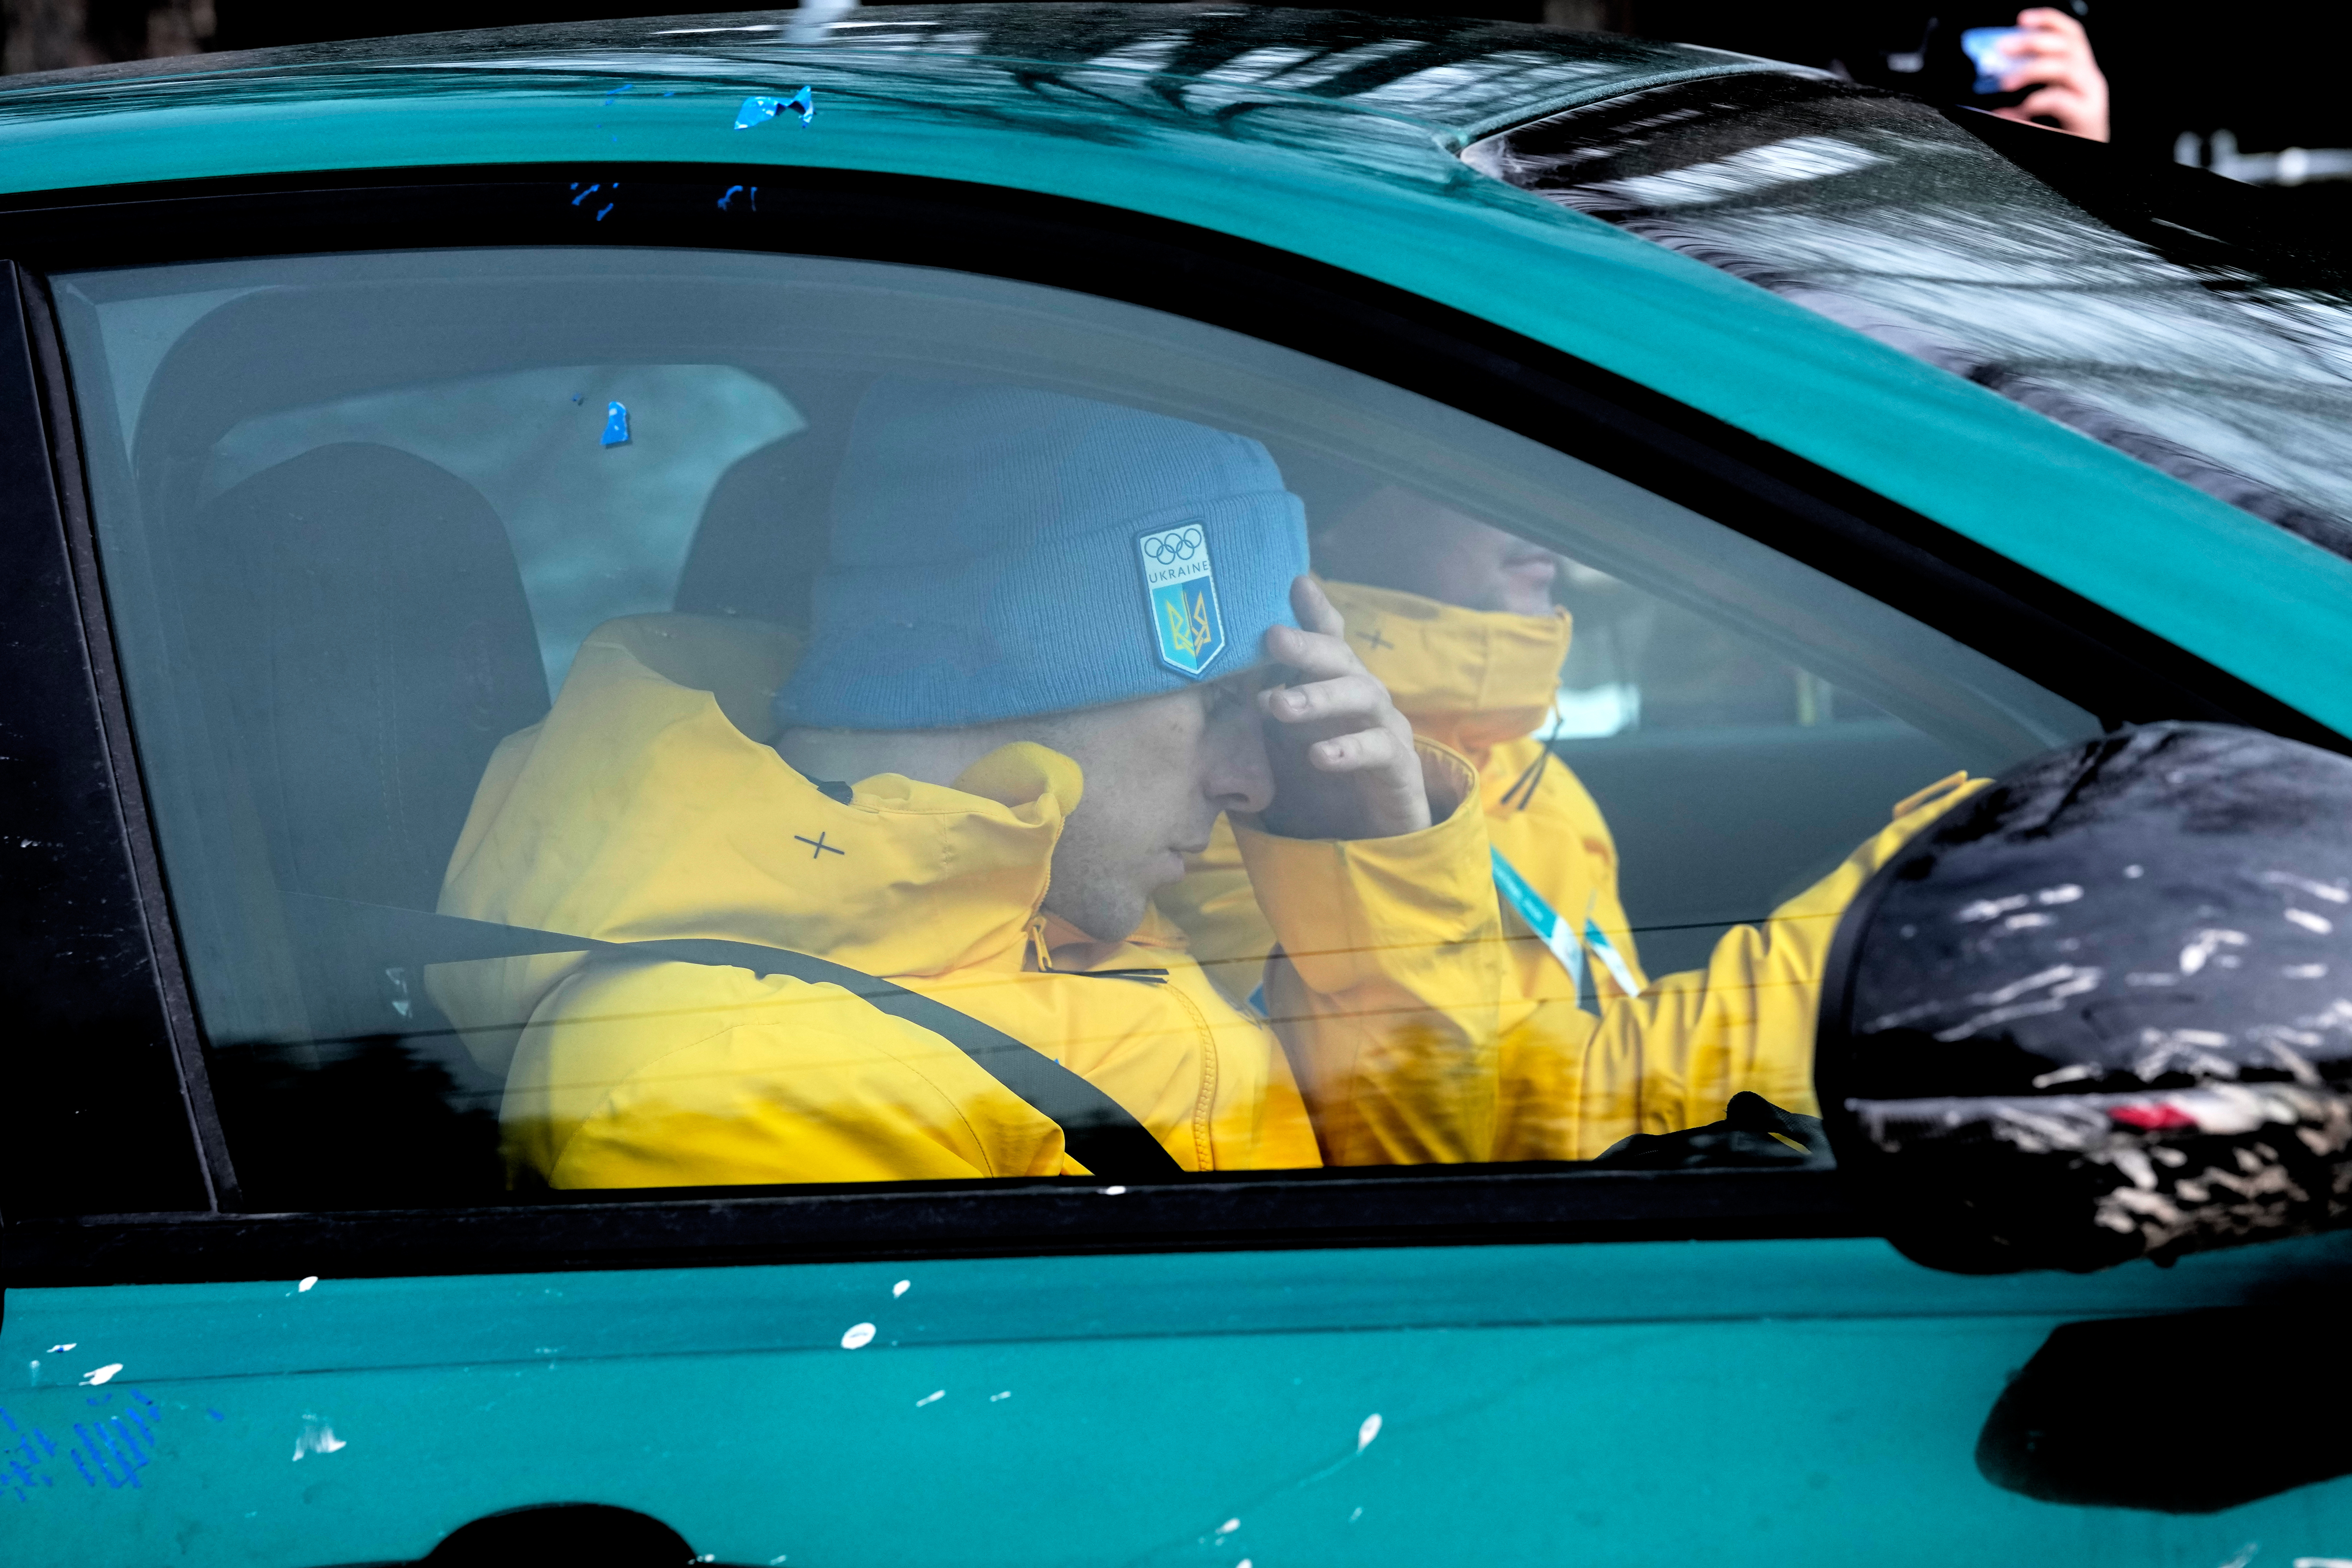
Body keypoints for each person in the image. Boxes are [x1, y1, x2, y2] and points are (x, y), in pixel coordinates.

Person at [428, 381, 1509, 1184]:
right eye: (1225, 706)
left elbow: (1468, 1202)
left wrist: (1373, 870)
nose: (1254, 788)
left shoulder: (1052, 906)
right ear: (1005, 662)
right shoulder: (727, 1079)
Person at [1158, 483, 1985, 1160]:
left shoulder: (1528, 769)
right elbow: (1507, 1126)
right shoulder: (1277, 794)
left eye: (1524, 467)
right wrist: (1938, 899)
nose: (1533, 505)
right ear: (1327, 518)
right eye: (1466, 471)